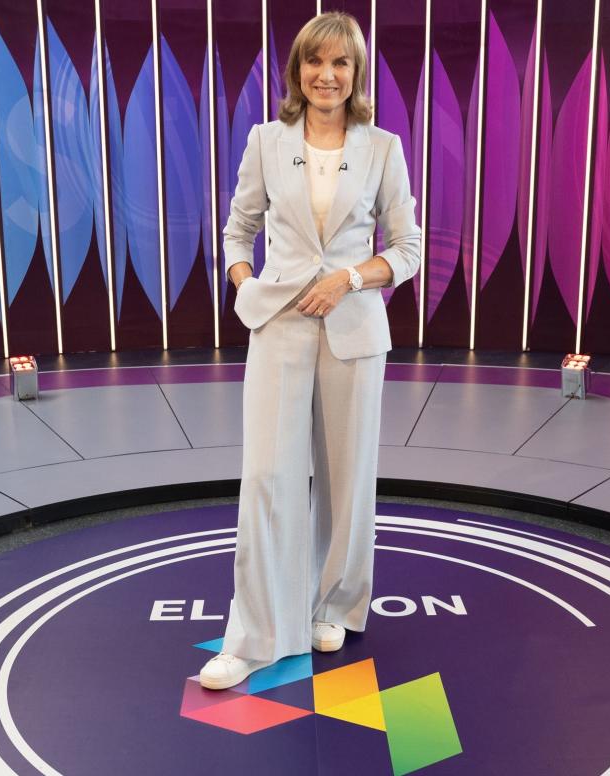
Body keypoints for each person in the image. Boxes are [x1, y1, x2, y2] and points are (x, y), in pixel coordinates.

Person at [197, 11, 421, 691]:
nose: (326, 76)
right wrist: (246, 286)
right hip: (280, 327)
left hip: (354, 330)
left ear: (355, 74)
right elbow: (238, 230)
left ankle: (335, 604)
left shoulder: (381, 147)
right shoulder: (266, 141)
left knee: (345, 479)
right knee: (266, 478)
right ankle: (255, 636)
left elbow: (406, 250)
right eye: (313, 63)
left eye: (340, 64)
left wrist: (351, 277)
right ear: (297, 72)